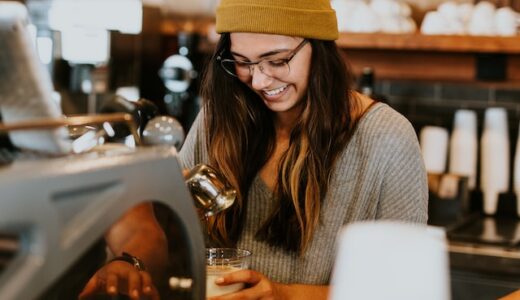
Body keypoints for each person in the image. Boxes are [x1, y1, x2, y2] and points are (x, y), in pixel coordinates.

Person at [178, 0, 428, 299]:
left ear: (319, 48)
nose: (258, 80)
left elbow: (403, 288)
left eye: (278, 60)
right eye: (242, 62)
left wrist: (284, 295)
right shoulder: (217, 121)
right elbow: (169, 236)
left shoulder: (385, 137)